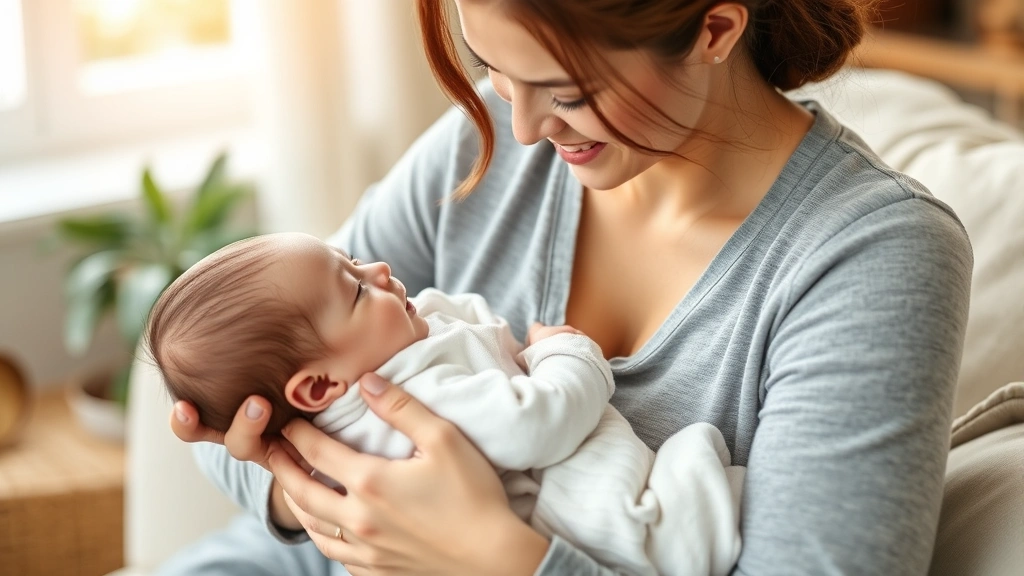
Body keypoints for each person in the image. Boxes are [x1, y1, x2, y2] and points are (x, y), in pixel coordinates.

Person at [161, 0, 974, 574]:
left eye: (569, 94)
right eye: (497, 73)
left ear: (715, 29)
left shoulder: (871, 257)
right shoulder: (484, 150)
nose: (520, 131)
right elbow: (230, 392)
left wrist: (499, 560)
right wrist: (338, 502)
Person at [148, 231, 745, 576]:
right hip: (625, 528)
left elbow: (463, 326)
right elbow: (537, 422)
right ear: (319, 388)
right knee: (704, 466)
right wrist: (569, 352)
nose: (379, 269)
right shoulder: (407, 399)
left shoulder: (368, 362)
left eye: (353, 258)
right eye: (356, 285)